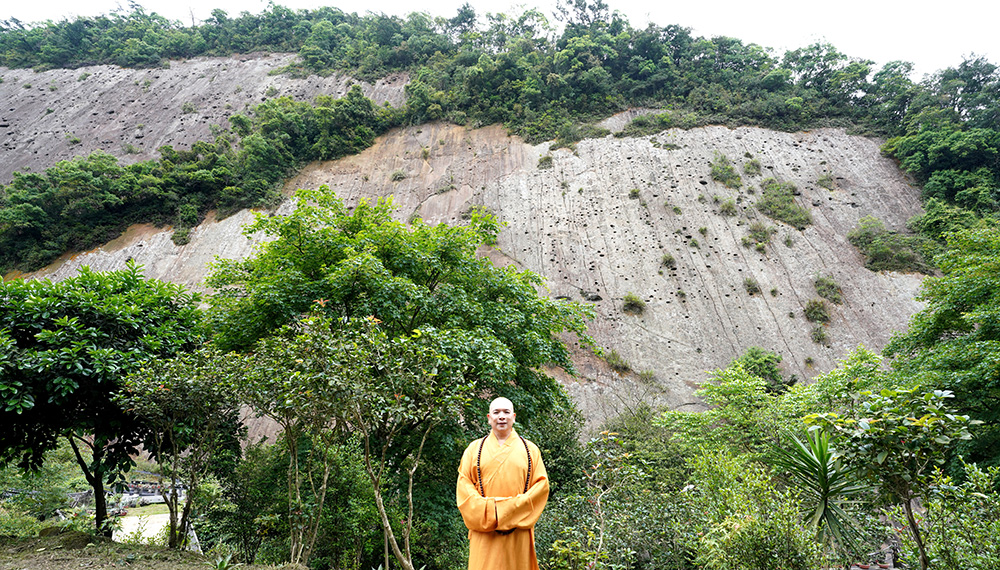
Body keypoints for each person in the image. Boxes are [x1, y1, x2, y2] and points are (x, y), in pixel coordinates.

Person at [456, 397, 549, 570]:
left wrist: (505, 510)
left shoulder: (531, 450)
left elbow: (541, 488)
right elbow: (464, 489)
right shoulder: (473, 450)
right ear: (489, 418)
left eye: (506, 412)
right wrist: (495, 512)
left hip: (517, 533)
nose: (501, 417)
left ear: (513, 417)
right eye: (496, 412)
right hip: (484, 533)